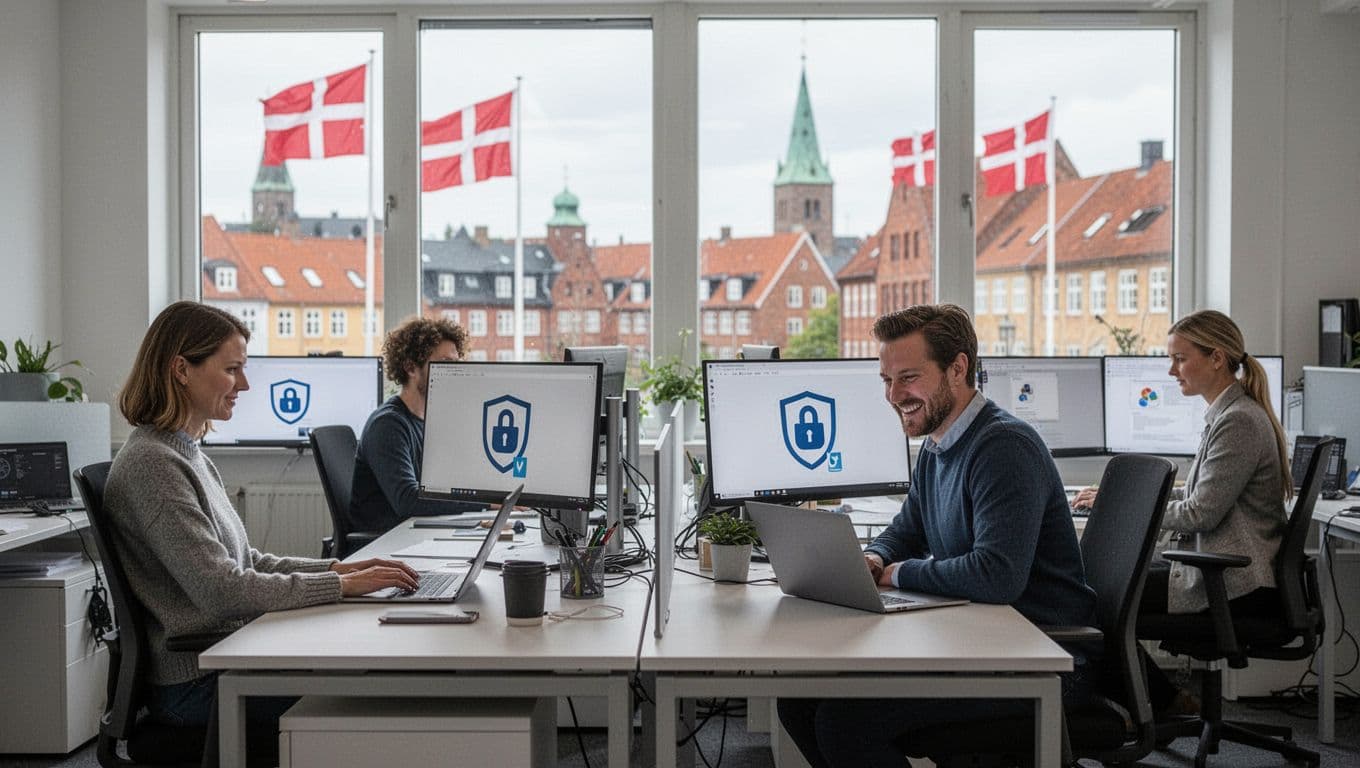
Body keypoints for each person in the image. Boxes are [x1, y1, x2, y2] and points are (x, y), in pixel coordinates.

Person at [777, 304, 1099, 768]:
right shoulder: (938, 442)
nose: (894, 395)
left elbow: (996, 576)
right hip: (983, 645)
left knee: (844, 723)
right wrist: (873, 558)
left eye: (908, 377)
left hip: (1043, 658)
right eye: (886, 380)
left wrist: (896, 574)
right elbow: (908, 527)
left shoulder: (1004, 448)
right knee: (798, 699)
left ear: (958, 368)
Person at [106, 301, 419, 735]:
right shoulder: (152, 465)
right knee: (377, 685)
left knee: (377, 663)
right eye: (232, 370)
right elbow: (221, 590)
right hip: (197, 685)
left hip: (231, 654)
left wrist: (339, 568)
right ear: (181, 369)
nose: (245, 384)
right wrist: (340, 587)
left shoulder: (186, 453)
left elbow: (245, 561)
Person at [1072, 308, 1291, 713]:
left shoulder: (1238, 421)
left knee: (1090, 600)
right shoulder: (1228, 413)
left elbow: (1199, 515)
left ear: (1217, 358)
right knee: (1091, 589)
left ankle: (1159, 704)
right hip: (1220, 569)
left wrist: (1127, 513)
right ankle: (1162, 702)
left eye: (1180, 358)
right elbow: (1197, 496)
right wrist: (1118, 497)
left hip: (1232, 581)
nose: (1172, 371)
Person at [350, 315, 484, 534]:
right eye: (445, 365)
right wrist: (485, 503)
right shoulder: (387, 425)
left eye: (456, 365)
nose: (454, 374)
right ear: (411, 368)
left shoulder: (431, 420)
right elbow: (408, 501)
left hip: (418, 532)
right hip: (386, 543)